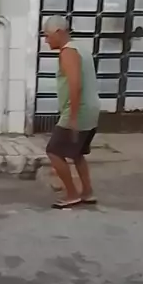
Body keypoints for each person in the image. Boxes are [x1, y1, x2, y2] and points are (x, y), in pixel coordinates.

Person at [43, 15, 100, 209]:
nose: (46, 40)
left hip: (78, 111)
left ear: (59, 32)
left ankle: (72, 194)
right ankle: (87, 192)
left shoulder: (68, 52)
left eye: (47, 35)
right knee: (77, 153)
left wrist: (73, 118)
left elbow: (76, 85)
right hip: (91, 109)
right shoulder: (81, 48)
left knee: (53, 151)